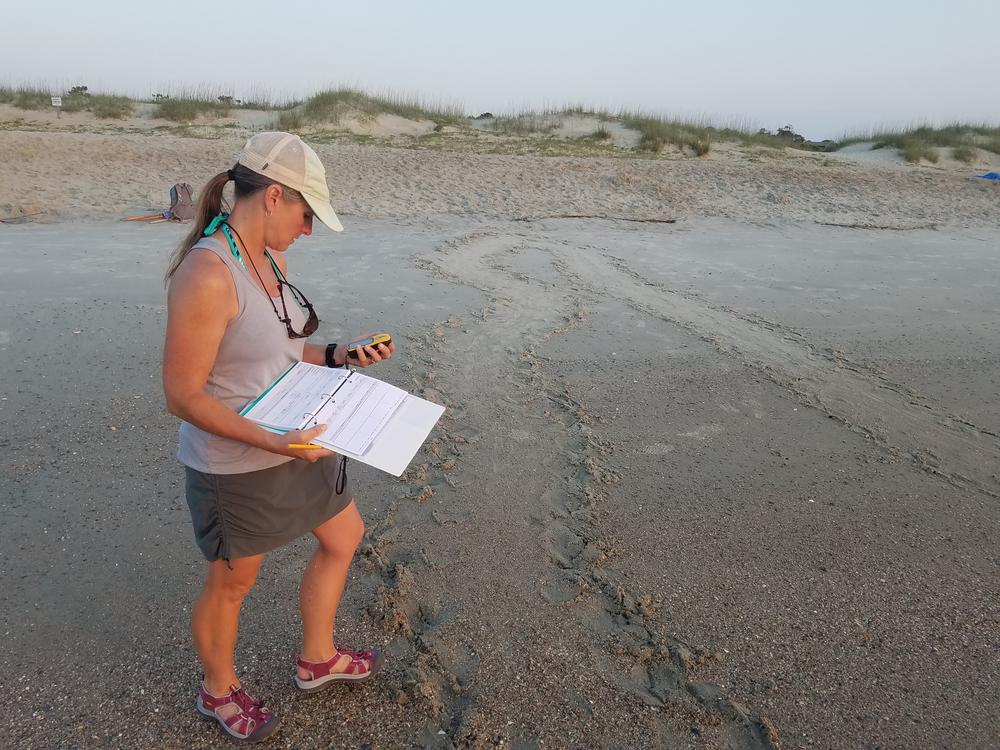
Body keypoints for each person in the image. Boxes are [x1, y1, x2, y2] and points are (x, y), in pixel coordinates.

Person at [162, 132, 393, 742]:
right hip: (239, 457)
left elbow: (286, 351)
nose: (310, 230)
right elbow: (182, 395)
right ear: (272, 196)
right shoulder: (208, 272)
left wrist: (340, 354)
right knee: (235, 579)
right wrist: (277, 442)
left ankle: (317, 659)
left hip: (296, 431)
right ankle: (218, 690)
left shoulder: (270, 259)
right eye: (307, 214)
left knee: (345, 536)